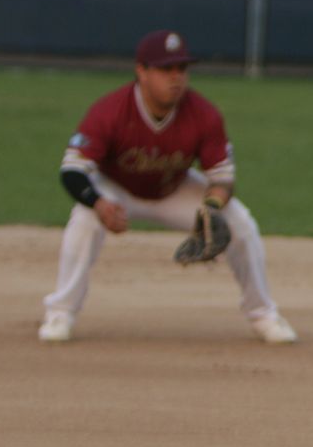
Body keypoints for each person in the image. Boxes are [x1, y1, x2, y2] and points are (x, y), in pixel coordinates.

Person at [38, 29, 296, 345]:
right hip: (116, 188)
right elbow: (73, 170)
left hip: (174, 189)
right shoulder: (111, 110)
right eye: (165, 69)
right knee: (84, 221)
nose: (176, 78)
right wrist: (99, 203)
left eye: (181, 69)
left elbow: (222, 177)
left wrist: (211, 208)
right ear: (141, 72)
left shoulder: (203, 113)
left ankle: (264, 314)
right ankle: (61, 313)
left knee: (240, 223)